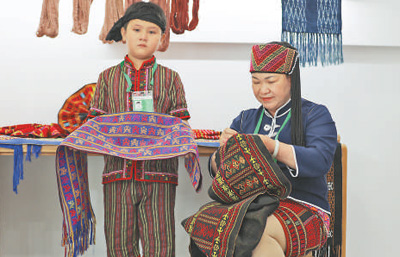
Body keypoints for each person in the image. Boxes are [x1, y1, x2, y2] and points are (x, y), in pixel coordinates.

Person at [210, 42, 338, 257]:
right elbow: (218, 172)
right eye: (255, 81)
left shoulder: (315, 114)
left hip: (305, 206)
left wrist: (273, 147)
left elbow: (320, 160)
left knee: (254, 231)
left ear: (291, 79)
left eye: (271, 81)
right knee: (212, 224)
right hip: (251, 206)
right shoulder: (245, 118)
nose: (262, 90)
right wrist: (223, 151)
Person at [89, 2, 191, 256]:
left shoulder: (171, 78)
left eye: (152, 31)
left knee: (160, 246)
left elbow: (181, 125)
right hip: (117, 175)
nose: (143, 36)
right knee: (119, 246)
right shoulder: (107, 78)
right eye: (136, 29)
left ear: (162, 38)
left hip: (159, 177)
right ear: (123, 33)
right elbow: (94, 126)